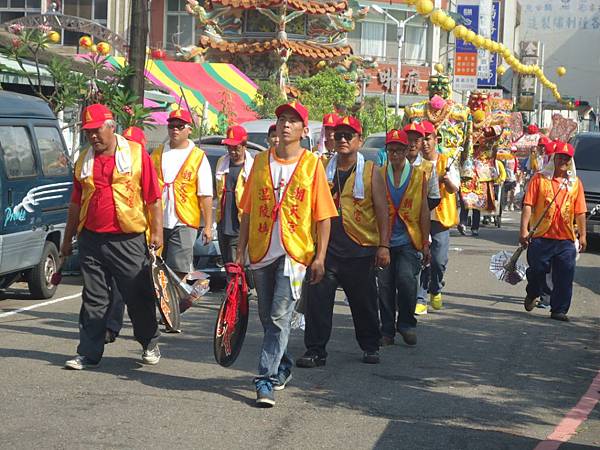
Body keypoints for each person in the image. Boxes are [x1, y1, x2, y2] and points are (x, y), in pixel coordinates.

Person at [236, 100, 337, 407]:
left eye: (293, 120)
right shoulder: (261, 161)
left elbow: (323, 215)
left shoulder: (312, 165)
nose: (286, 124)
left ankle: (264, 379)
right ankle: (283, 366)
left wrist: (319, 257)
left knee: (280, 315)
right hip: (262, 249)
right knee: (268, 317)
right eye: (282, 119)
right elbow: (249, 211)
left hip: (295, 253)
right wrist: (240, 251)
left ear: (304, 131)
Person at [61, 104, 163, 370]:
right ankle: (88, 353)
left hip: (127, 239)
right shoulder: (84, 159)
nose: (93, 137)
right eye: (88, 133)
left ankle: (149, 340)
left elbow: (153, 198)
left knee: (137, 297)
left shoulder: (137, 154)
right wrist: (67, 238)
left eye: (96, 131)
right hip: (91, 238)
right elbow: (75, 203)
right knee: (93, 298)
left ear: (111, 126)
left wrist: (157, 233)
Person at [297, 116, 390, 368]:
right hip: (325, 250)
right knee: (318, 303)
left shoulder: (371, 172)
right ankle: (315, 350)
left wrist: (384, 245)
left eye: (349, 135)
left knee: (364, 303)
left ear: (359, 140)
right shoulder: (321, 167)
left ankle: (371, 345)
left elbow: (382, 211)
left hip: (359, 249)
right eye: (338, 135)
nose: (343, 140)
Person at [520, 142, 587, 322]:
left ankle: (559, 309)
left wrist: (583, 235)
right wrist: (524, 230)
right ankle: (533, 291)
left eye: (566, 158)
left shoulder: (575, 184)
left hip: (565, 239)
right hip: (541, 236)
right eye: (560, 157)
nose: (563, 161)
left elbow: (580, 211)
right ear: (554, 158)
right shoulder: (539, 179)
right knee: (537, 270)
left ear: (570, 161)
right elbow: (528, 206)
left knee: (565, 274)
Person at [378, 129, 431, 346]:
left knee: (407, 280)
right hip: (384, 239)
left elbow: (424, 210)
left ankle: (407, 323)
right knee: (385, 285)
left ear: (406, 150)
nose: (396, 155)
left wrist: (426, 242)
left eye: (399, 150)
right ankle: (387, 330)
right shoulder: (379, 174)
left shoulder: (419, 176)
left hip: (409, 239)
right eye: (391, 150)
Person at [150, 109, 213, 280]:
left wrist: (207, 226)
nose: (175, 130)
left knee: (179, 268)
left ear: (189, 129)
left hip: (184, 220)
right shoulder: (157, 154)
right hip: (159, 218)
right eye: (171, 126)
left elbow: (205, 194)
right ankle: (166, 303)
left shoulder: (198, 156)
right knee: (156, 265)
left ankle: (177, 302)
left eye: (180, 126)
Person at [104, 126, 149, 344]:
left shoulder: (147, 167)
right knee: (115, 285)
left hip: (144, 238)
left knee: (139, 290)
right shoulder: (117, 168)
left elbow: (155, 205)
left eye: (134, 143)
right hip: (119, 239)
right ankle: (111, 327)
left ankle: (149, 337)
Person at [416, 121, 459, 314]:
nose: (424, 143)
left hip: (440, 218)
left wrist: (445, 179)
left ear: (435, 140)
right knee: (420, 258)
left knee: (438, 260)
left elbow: (454, 189)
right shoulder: (415, 163)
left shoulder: (446, 161)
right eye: (421, 139)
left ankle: (436, 288)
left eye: (428, 139)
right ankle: (420, 298)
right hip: (418, 217)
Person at [215, 125, 254, 265]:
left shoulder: (252, 167)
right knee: (227, 263)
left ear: (244, 146)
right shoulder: (222, 163)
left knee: (237, 265)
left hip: (240, 224)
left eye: (236, 148)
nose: (232, 152)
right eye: (229, 148)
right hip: (223, 222)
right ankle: (232, 286)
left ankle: (240, 287)